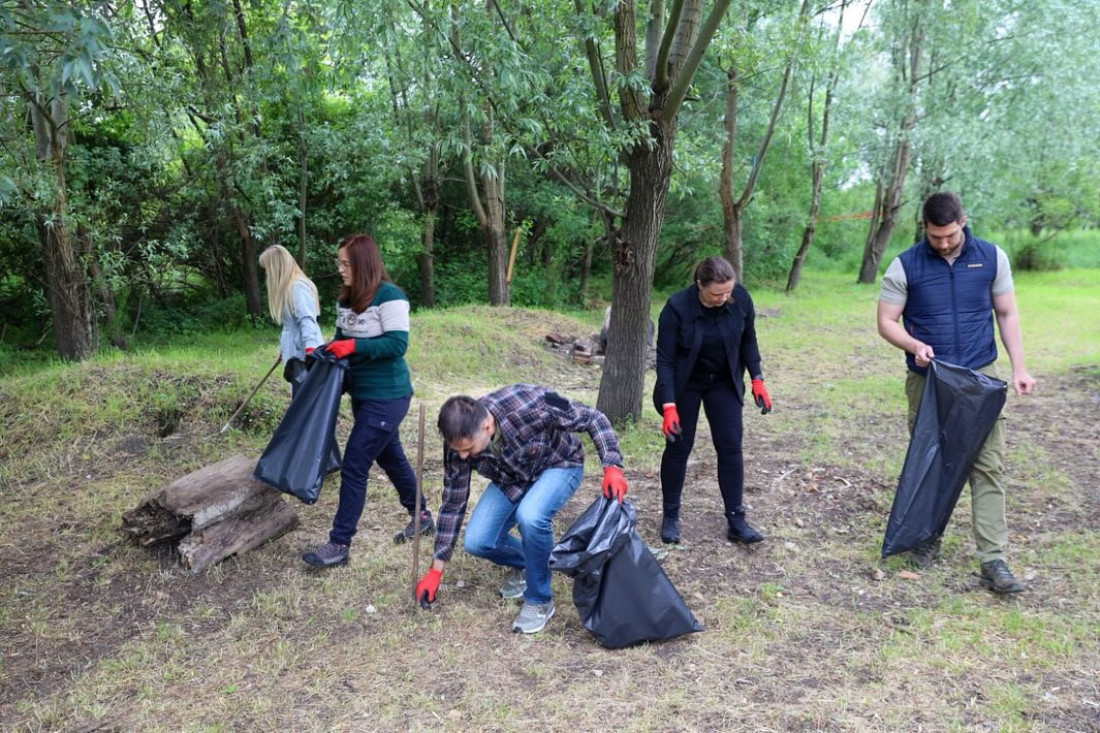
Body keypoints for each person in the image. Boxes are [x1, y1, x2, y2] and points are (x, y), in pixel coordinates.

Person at [877, 191, 1036, 594]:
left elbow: (1006, 312)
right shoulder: (905, 265)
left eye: (950, 234)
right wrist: (913, 344)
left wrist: (1019, 367)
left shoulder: (992, 257)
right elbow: (886, 321)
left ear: (963, 221)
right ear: (925, 228)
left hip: (980, 376)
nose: (944, 243)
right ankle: (927, 539)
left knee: (988, 465)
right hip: (929, 380)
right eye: (936, 237)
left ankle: (993, 559)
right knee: (933, 461)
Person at [414, 384, 628, 634]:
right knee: (477, 541)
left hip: (559, 464)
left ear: (486, 427)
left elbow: (593, 417)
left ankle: (539, 600)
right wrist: (435, 570)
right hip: (513, 479)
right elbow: (453, 503)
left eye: (468, 449)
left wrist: (612, 466)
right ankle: (532, 565)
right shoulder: (458, 442)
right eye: (457, 451)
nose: (463, 457)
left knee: (531, 515)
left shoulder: (533, 403)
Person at [301, 234, 434, 568]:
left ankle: (339, 543)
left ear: (363, 264)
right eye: (339, 263)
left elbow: (396, 345)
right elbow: (341, 339)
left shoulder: (390, 297)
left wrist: (353, 347)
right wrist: (324, 351)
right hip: (361, 395)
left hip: (388, 396)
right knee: (391, 457)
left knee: (355, 464)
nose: (340, 269)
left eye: (346, 263)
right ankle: (421, 516)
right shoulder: (346, 300)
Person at [653, 256, 772, 546]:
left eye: (728, 291)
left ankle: (736, 520)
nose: (723, 298)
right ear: (700, 286)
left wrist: (757, 379)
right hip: (686, 383)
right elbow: (665, 361)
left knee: (730, 446)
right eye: (716, 294)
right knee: (679, 447)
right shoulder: (676, 308)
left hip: (723, 381)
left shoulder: (740, 299)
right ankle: (670, 516)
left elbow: (749, 340)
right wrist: (669, 406)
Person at [258, 244, 324, 394]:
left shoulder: (297, 287)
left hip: (305, 353)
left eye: (267, 269)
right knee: (299, 393)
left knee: (307, 396)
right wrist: (283, 348)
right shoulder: (287, 289)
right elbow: (289, 325)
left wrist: (311, 352)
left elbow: (307, 320)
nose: (267, 273)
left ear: (276, 267)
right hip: (295, 351)